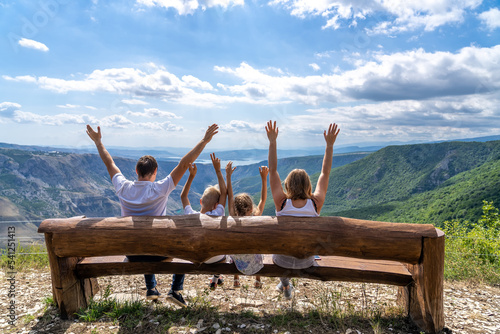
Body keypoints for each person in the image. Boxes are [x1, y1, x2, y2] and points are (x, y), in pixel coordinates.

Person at [86, 123, 219, 307]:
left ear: (136, 172)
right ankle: (175, 290)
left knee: (141, 240)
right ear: (155, 172)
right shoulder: (160, 189)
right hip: (158, 253)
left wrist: (98, 142)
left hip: (132, 253)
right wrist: (204, 141)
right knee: (177, 245)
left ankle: (151, 288)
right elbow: (183, 164)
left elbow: (110, 163)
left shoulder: (123, 188)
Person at [265, 120, 340, 300]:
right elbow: (325, 172)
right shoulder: (315, 203)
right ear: (308, 184)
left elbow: (273, 170)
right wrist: (329, 145)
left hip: (282, 260)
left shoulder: (281, 203)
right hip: (306, 260)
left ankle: (285, 285)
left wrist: (272, 142)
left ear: (287, 184)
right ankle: (285, 285)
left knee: (282, 252)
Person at [180, 153, 227, 289]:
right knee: (224, 251)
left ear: (200, 202)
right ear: (215, 205)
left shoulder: (190, 214)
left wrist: (191, 176)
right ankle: (216, 277)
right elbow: (224, 193)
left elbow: (183, 196)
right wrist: (218, 170)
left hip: (195, 258)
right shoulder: (218, 213)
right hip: (216, 259)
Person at [226, 162, 268, 288]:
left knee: (234, 248)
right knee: (258, 248)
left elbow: (230, 196)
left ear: (235, 208)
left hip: (238, 263)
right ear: (251, 209)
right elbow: (263, 200)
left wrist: (228, 176)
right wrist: (264, 179)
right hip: (253, 263)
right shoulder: (255, 218)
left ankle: (236, 278)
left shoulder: (233, 218)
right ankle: (257, 280)